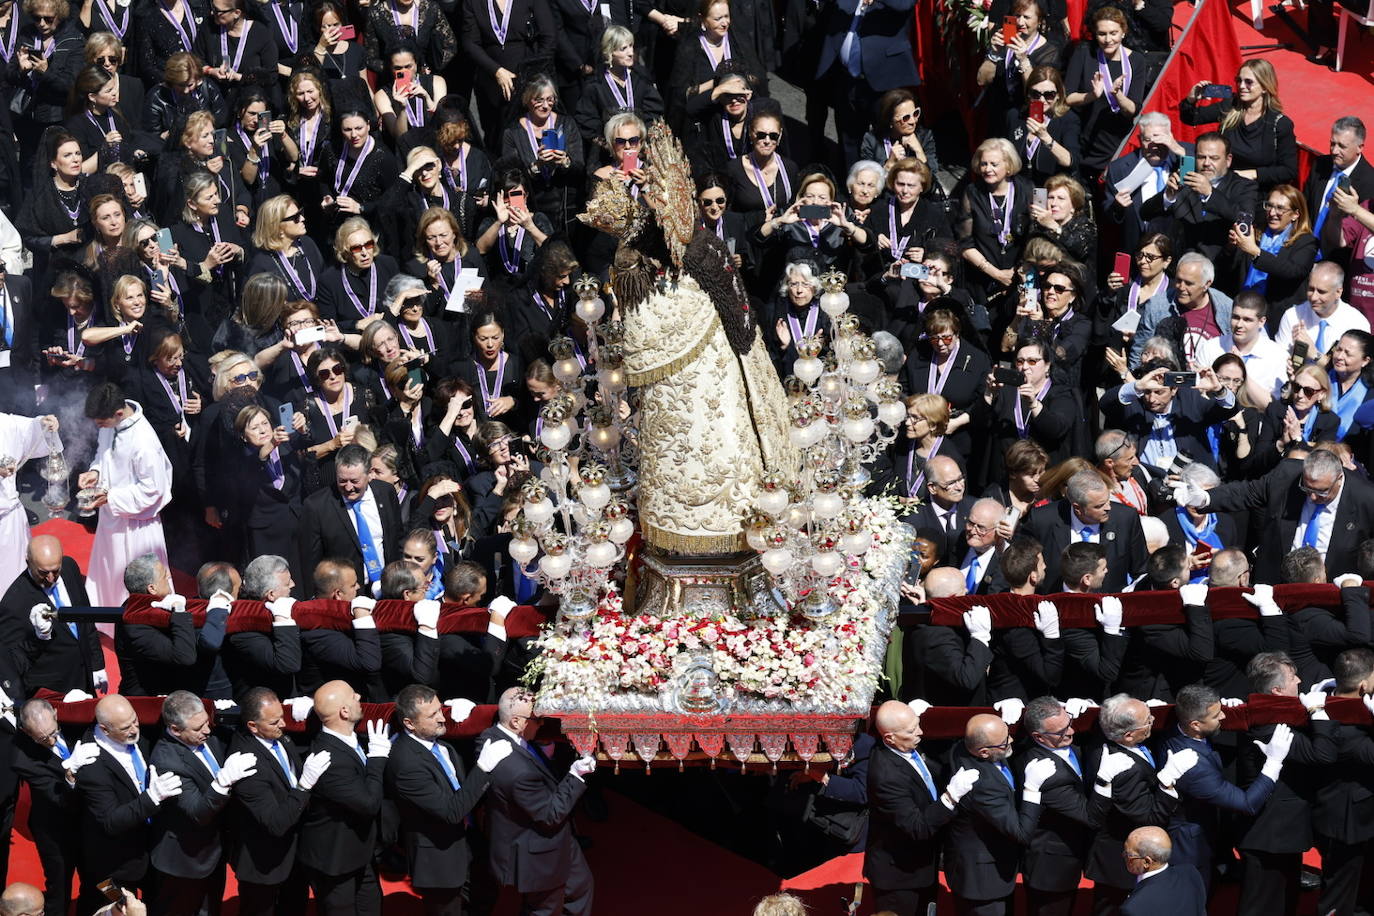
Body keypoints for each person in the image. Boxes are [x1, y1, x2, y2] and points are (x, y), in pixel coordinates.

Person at [385, 683, 513, 915]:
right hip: (438, 861)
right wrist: (483, 767)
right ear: (409, 724)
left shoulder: (444, 747)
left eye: (440, 710)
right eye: (432, 715)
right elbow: (451, 812)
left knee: (483, 899)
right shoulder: (405, 764)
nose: (442, 719)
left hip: (469, 845)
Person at [1235, 653, 1339, 916]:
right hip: (1269, 832)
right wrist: (1317, 713)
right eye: (1294, 678)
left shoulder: (1275, 715)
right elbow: (1322, 755)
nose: (1300, 681)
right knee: (1262, 906)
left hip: (1283, 831)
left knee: (1284, 903)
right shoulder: (1269, 725)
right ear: (1277, 689)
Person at [479, 687, 597, 915]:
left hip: (558, 840)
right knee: (546, 908)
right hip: (539, 850)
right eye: (537, 719)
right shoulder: (518, 773)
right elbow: (550, 815)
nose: (541, 724)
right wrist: (575, 775)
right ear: (515, 721)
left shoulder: (491, 737)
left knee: (580, 888)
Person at [1162, 683, 1291, 888]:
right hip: (1191, 849)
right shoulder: (1195, 770)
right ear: (1195, 724)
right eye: (1216, 716)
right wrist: (1274, 762)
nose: (1223, 717)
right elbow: (1248, 804)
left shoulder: (1178, 729)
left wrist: (1233, 711)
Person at [1183, 447, 1374, 581]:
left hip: (1330, 588)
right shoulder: (1287, 476)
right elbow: (1246, 493)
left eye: (1322, 491)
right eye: (1307, 489)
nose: (1313, 497)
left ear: (1339, 479)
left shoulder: (1365, 498)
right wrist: (1206, 499)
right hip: (1277, 582)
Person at [148, 689, 259, 915]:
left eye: (206, 723)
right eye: (198, 728)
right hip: (184, 862)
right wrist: (223, 781)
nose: (207, 731)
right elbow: (198, 812)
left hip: (213, 852)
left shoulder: (207, 736)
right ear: (175, 729)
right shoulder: (167, 761)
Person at [1084, 694, 1197, 914]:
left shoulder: (1111, 735)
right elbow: (1149, 819)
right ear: (1127, 735)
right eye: (1148, 721)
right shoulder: (1124, 770)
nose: (1153, 721)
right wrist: (1167, 783)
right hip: (1119, 863)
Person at [226, 687, 332, 916]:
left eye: (281, 717)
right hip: (263, 863)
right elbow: (276, 823)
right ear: (252, 726)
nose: (283, 725)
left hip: (294, 855)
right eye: (274, 722)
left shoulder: (278, 737)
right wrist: (304, 786)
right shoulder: (247, 763)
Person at [73, 694, 183, 915]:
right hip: (110, 868)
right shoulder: (92, 765)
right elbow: (110, 821)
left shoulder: (139, 738)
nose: (134, 729)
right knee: (113, 910)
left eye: (135, 720)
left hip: (150, 856)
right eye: (125, 727)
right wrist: (152, 797)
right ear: (104, 730)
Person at [863, 700, 973, 913]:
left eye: (918, 724)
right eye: (912, 730)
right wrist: (950, 797)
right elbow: (918, 827)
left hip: (922, 866)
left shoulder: (904, 745)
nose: (921, 732)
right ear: (889, 738)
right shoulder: (887, 776)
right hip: (900, 877)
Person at [943, 712, 1055, 914]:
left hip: (990, 864)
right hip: (982, 879)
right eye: (1004, 742)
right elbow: (1021, 833)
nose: (1011, 741)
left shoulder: (964, 747)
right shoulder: (983, 785)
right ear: (984, 752)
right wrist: (1032, 789)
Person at [296, 680, 390, 915]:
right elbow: (368, 804)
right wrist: (377, 759)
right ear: (344, 712)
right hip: (333, 862)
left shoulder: (348, 741)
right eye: (353, 695)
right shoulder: (329, 759)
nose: (359, 696)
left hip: (359, 853)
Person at [78, 382, 173, 606]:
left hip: (136, 524)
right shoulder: (110, 425)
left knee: (133, 577)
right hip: (112, 515)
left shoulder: (143, 442)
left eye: (102, 422)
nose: (99, 427)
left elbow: (153, 490)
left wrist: (110, 497)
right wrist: (95, 471)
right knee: (110, 568)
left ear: (119, 413)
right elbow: (104, 454)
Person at [812, 0, 919, 167]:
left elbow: (904, 4)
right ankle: (851, 185)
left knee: (888, 140)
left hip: (884, 77)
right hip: (847, 76)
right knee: (848, 139)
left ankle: (886, 186)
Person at [12, 698, 92, 916]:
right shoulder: (23, 759)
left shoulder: (74, 724)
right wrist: (70, 777)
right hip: (55, 829)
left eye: (53, 732)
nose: (51, 740)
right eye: (42, 738)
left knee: (95, 880)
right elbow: (59, 799)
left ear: (56, 714)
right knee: (60, 888)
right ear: (27, 733)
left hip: (88, 821)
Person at [0, 534, 105, 696]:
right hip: (53, 687)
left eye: (56, 571)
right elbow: (12, 661)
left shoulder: (69, 568)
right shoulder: (14, 602)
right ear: (28, 562)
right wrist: (39, 637)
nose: (51, 578)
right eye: (43, 572)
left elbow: (86, 618)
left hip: (84, 673)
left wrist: (97, 664)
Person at [297, 444, 404, 595]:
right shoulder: (316, 507)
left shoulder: (386, 493)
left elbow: (397, 538)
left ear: (369, 474)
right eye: (342, 480)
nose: (348, 488)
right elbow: (310, 562)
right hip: (346, 595)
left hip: (388, 589)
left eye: (354, 481)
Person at [1022, 468, 1148, 593]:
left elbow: (1142, 570)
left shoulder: (1125, 519)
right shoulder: (1042, 520)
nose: (1108, 508)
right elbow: (1022, 568)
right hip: (1057, 605)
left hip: (1110, 606)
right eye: (1099, 506)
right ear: (1078, 508)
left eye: (1108, 501)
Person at [1179, 59, 1297, 191]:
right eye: (1239, 80)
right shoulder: (1230, 107)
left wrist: (1252, 174)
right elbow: (1190, 118)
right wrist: (1191, 99)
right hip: (1222, 188)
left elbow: (1289, 170)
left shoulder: (1280, 124)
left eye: (1249, 82)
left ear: (1264, 87)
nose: (1241, 86)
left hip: (1255, 194)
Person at [1304, 116, 1374, 262]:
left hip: (1338, 262)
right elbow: (1305, 204)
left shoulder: (1370, 181)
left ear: (1359, 148)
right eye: (1332, 144)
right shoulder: (1320, 164)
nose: (1334, 151)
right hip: (1304, 253)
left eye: (1342, 146)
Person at [0, 413, 57, 585]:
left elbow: (26, 430)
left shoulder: (5, 423)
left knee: (13, 578)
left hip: (9, 519)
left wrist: (43, 424)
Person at [1120, 827, 1207, 916]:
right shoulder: (1190, 873)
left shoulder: (1132, 909)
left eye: (1128, 854)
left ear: (1147, 862)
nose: (1124, 856)